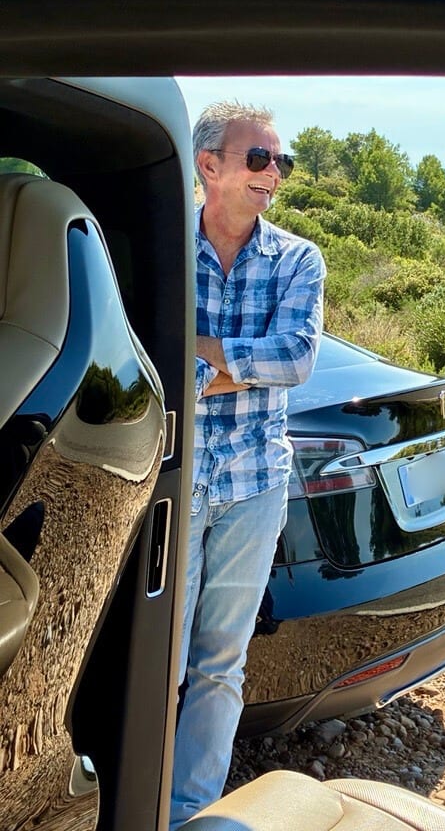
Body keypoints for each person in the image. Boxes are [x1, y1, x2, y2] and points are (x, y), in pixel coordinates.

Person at [170, 101, 326, 830]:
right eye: (259, 159)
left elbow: (295, 357)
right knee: (158, 655)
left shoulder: (299, 259)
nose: (275, 175)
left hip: (253, 485)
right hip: (171, 481)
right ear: (210, 166)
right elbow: (148, 347)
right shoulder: (163, 248)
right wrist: (233, 363)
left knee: (219, 664)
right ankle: (129, 789)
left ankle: (185, 811)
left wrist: (197, 357)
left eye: (281, 162)